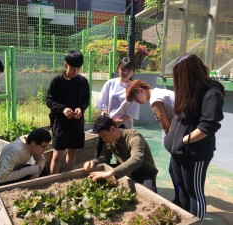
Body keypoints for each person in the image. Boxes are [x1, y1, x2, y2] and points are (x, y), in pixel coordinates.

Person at [164, 53, 225, 221]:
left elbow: (208, 126)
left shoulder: (211, 92)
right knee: (182, 188)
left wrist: (183, 140)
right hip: (178, 152)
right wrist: (173, 139)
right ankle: (185, 219)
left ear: (189, 73)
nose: (176, 80)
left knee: (194, 192)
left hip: (195, 154)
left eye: (178, 76)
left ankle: (195, 222)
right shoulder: (188, 90)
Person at [126, 79, 180, 206]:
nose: (137, 102)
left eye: (135, 98)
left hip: (180, 138)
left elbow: (166, 126)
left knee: (175, 171)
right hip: (182, 133)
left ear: (141, 90)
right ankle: (181, 199)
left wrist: (171, 144)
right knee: (174, 170)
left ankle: (181, 201)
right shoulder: (161, 92)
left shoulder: (155, 99)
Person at [84, 115, 158, 193]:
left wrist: (112, 172)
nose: (103, 139)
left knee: (149, 193)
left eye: (104, 136)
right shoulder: (109, 140)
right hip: (126, 171)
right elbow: (104, 157)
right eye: (101, 137)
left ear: (112, 129)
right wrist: (93, 162)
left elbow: (136, 160)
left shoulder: (134, 137)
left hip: (144, 173)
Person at [46, 50, 90, 174]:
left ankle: (68, 179)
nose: (75, 71)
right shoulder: (57, 81)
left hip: (76, 123)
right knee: (57, 155)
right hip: (60, 123)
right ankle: (53, 180)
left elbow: (86, 101)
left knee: (72, 152)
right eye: (72, 68)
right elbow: (49, 101)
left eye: (78, 68)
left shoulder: (83, 82)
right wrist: (63, 109)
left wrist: (81, 109)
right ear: (66, 65)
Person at [95, 57, 140, 157]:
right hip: (107, 124)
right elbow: (103, 101)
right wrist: (105, 112)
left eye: (129, 70)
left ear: (133, 72)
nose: (125, 73)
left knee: (123, 154)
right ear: (118, 69)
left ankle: (122, 172)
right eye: (123, 69)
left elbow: (132, 110)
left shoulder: (134, 88)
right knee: (102, 153)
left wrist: (120, 121)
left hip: (124, 126)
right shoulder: (110, 83)